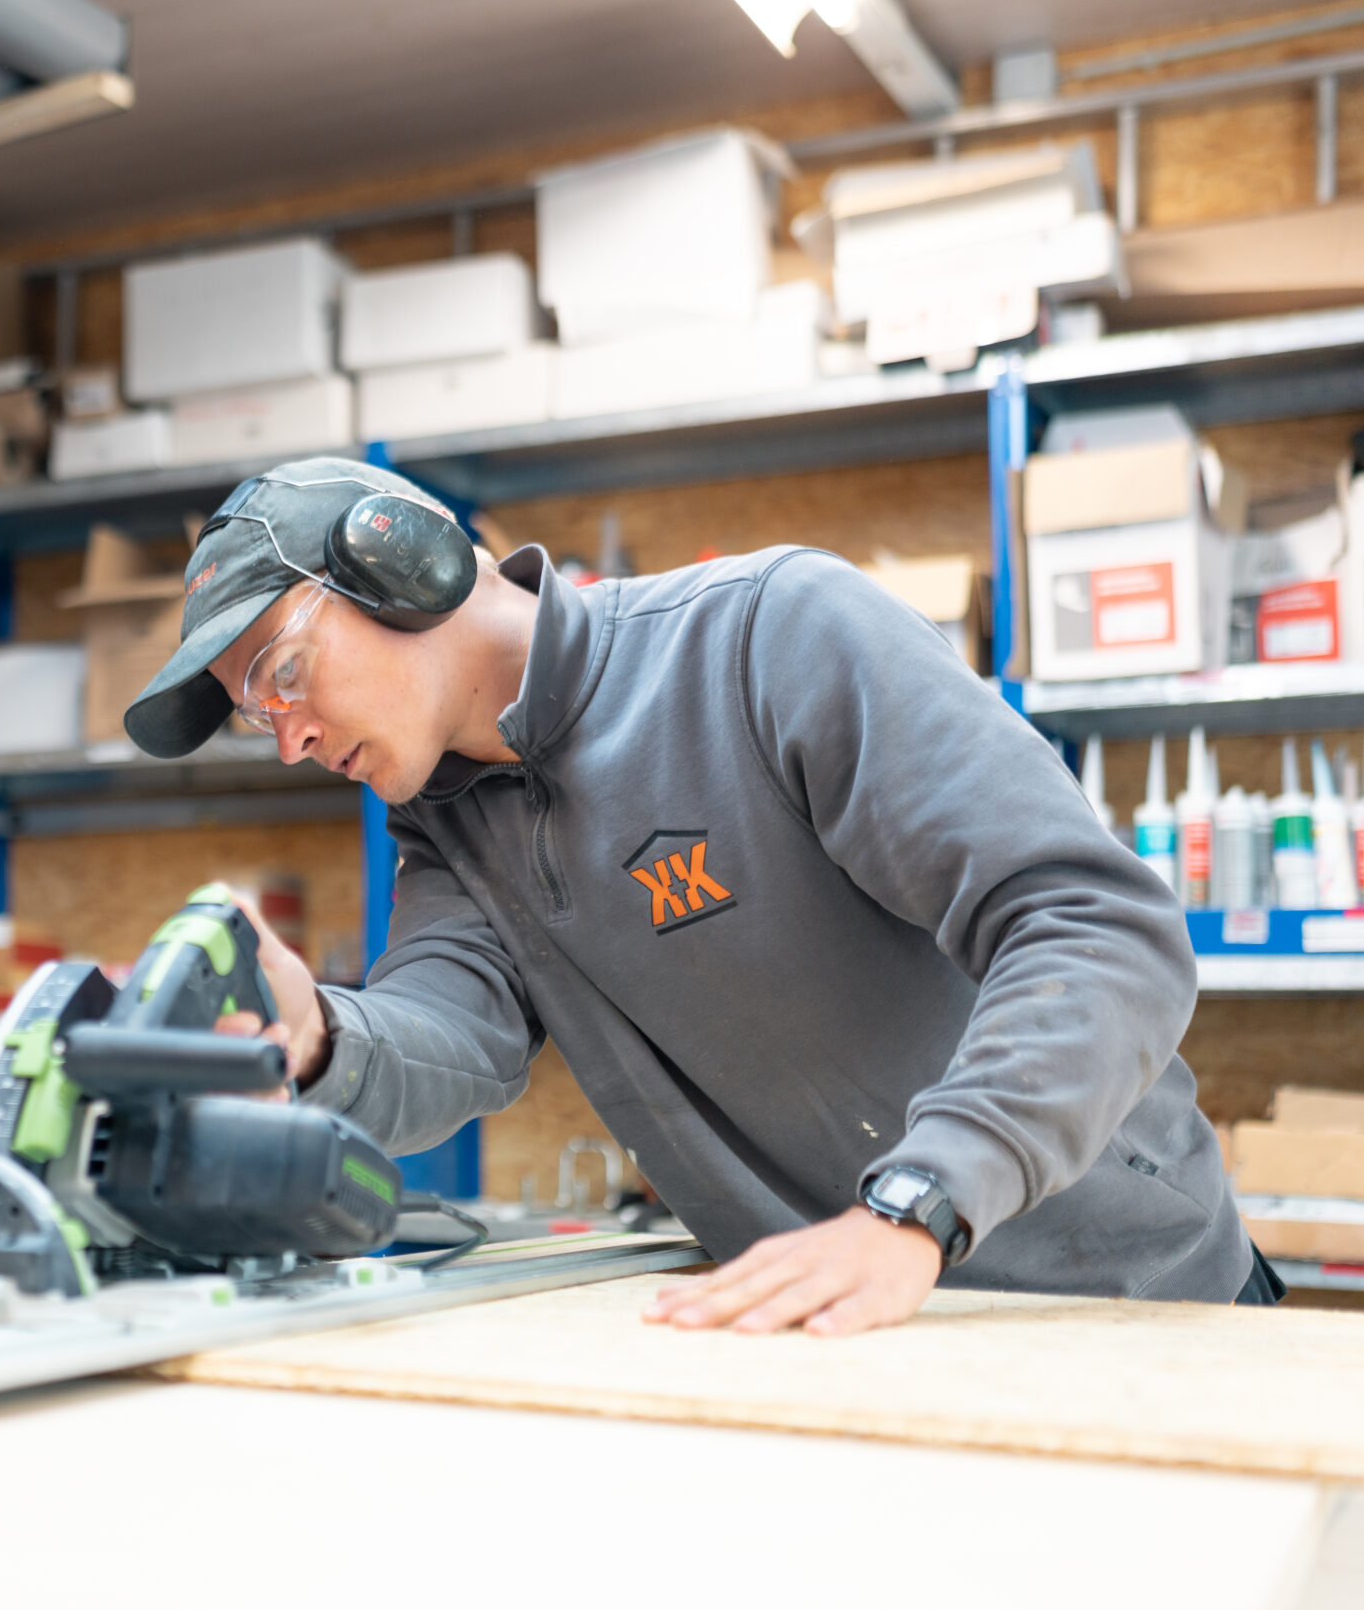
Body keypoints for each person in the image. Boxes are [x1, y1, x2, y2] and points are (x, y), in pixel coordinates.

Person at [126, 458, 1274, 1337]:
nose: (287, 739)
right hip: (845, 1333)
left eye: (283, 672)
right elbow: (451, 1035)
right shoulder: (446, 820)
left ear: (404, 564)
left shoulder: (767, 638)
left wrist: (918, 1204)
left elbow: (1094, 925)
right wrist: (318, 1036)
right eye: (252, 713)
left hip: (1131, 1306)